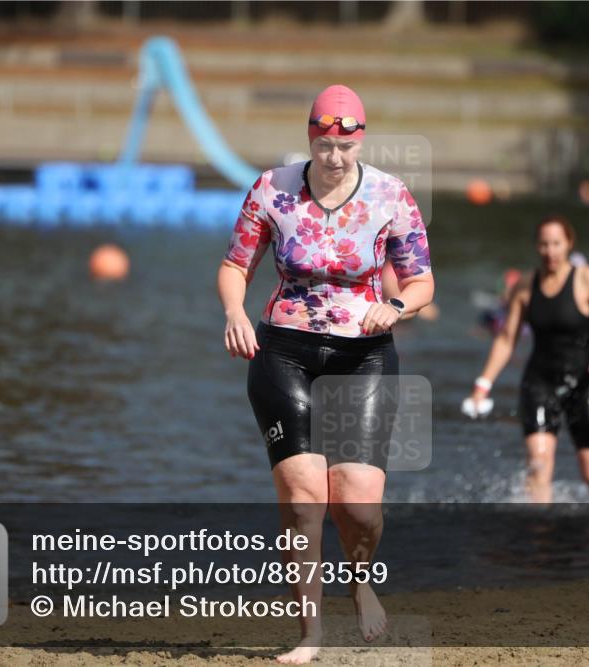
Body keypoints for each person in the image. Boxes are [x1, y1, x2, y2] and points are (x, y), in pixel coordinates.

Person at [217, 84, 435, 664]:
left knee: (358, 504)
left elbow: (421, 281)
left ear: (360, 140)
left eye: (345, 146)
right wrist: (235, 312)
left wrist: (399, 306)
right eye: (323, 145)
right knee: (304, 498)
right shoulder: (272, 188)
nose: (334, 159)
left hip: (362, 353)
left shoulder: (392, 196)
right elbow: (236, 264)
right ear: (310, 137)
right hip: (282, 351)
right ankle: (310, 632)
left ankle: (360, 581)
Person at [464, 216, 589, 503]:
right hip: (539, 382)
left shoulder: (586, 279)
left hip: (583, 384)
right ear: (536, 247)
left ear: (568, 244)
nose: (550, 251)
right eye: (544, 244)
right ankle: (542, 536)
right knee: (539, 466)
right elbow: (506, 339)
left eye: (556, 244)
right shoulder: (525, 286)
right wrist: (483, 384)